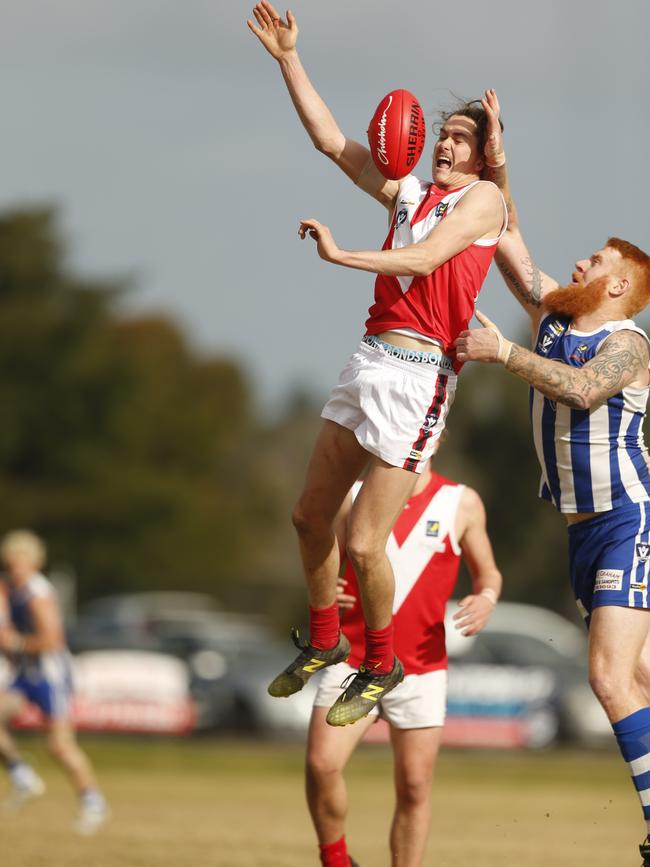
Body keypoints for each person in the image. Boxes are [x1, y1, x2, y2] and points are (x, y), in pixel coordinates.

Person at [248, 2, 507, 726]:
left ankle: (381, 659)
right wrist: (288, 59)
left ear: (484, 157)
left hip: (419, 381)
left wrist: (340, 255)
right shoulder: (411, 193)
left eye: (459, 139)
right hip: (368, 360)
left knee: (365, 540)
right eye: (443, 137)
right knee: (309, 518)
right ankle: (328, 642)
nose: (445, 147)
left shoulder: (484, 202)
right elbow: (332, 141)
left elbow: (425, 259)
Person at [453, 90, 650, 867]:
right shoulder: (556, 316)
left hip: (629, 519)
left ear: (619, 287)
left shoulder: (630, 345)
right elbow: (504, 230)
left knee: (606, 675)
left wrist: (501, 355)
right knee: (637, 674)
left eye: (595, 261)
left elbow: (580, 390)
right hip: (582, 531)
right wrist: (496, 152)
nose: (579, 262)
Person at [307, 454, 501, 867]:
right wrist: (329, 590)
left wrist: (486, 598)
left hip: (421, 668)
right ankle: (336, 859)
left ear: (435, 432)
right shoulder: (355, 495)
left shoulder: (461, 502)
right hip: (354, 663)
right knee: (322, 765)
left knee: (414, 787)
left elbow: (488, 574)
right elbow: (326, 559)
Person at [0, 530, 109, 835]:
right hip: (23, 676)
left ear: (34, 562)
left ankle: (92, 801)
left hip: (51, 676)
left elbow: (52, 639)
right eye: (12, 559)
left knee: (60, 745)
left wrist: (15, 644)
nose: (14, 565)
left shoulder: (38, 593)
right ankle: (21, 774)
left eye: (21, 559)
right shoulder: (10, 590)